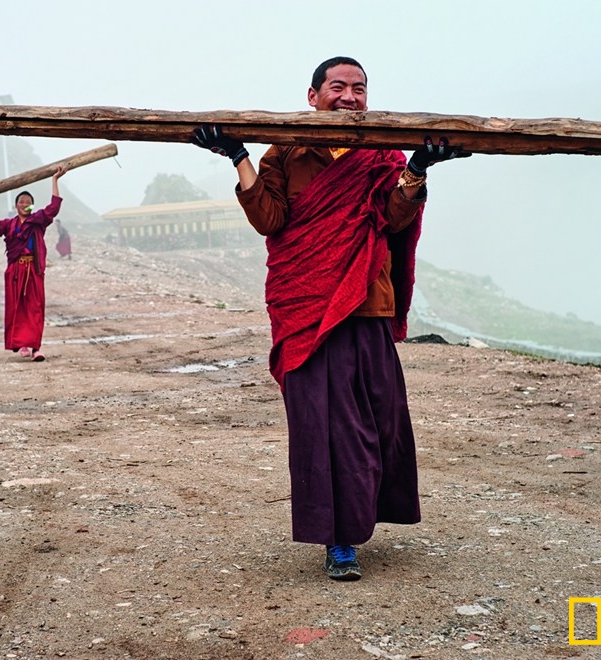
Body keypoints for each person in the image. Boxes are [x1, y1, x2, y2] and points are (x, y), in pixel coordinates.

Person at [192, 56, 470, 581]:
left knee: (375, 419)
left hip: (366, 302)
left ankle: (365, 515)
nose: (349, 96)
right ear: (313, 95)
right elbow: (269, 219)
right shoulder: (287, 150)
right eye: (338, 87)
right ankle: (338, 541)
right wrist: (237, 155)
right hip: (305, 308)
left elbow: (391, 217)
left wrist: (418, 168)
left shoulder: (382, 151)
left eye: (359, 88)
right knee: (323, 426)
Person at [0, 164, 67, 362]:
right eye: (21, 201)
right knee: (17, 308)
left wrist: (54, 180)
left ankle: (36, 348)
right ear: (16, 205)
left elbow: (53, 208)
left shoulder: (38, 221)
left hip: (33, 271)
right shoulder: (8, 225)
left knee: (34, 308)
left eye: (28, 202)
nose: (24, 204)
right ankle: (22, 343)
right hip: (15, 272)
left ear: (32, 206)